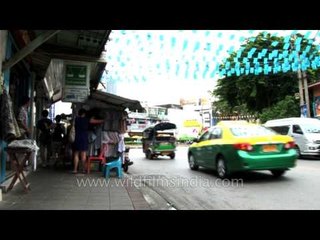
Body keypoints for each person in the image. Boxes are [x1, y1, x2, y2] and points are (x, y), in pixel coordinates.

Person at [72, 108, 104, 174]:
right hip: (84, 138)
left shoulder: (76, 119)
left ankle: (75, 169)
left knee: (76, 154)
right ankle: (83, 170)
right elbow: (95, 121)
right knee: (83, 154)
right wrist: (103, 120)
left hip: (77, 138)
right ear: (84, 113)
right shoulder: (87, 120)